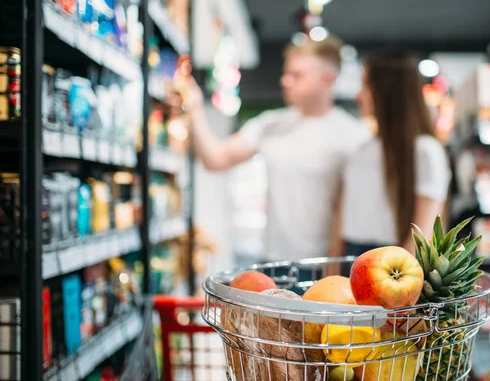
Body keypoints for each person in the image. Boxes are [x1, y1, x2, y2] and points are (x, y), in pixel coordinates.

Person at [179, 37, 369, 262]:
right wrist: (195, 108)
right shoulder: (270, 124)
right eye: (286, 73)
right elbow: (215, 159)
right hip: (273, 262)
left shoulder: (355, 137)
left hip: (327, 266)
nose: (285, 81)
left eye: (297, 75)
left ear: (328, 79)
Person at [340, 50, 451, 257]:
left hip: (394, 261)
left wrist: (398, 277)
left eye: (366, 86)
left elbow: (422, 235)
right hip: (353, 255)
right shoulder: (361, 149)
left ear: (387, 91)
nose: (358, 95)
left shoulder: (426, 151)